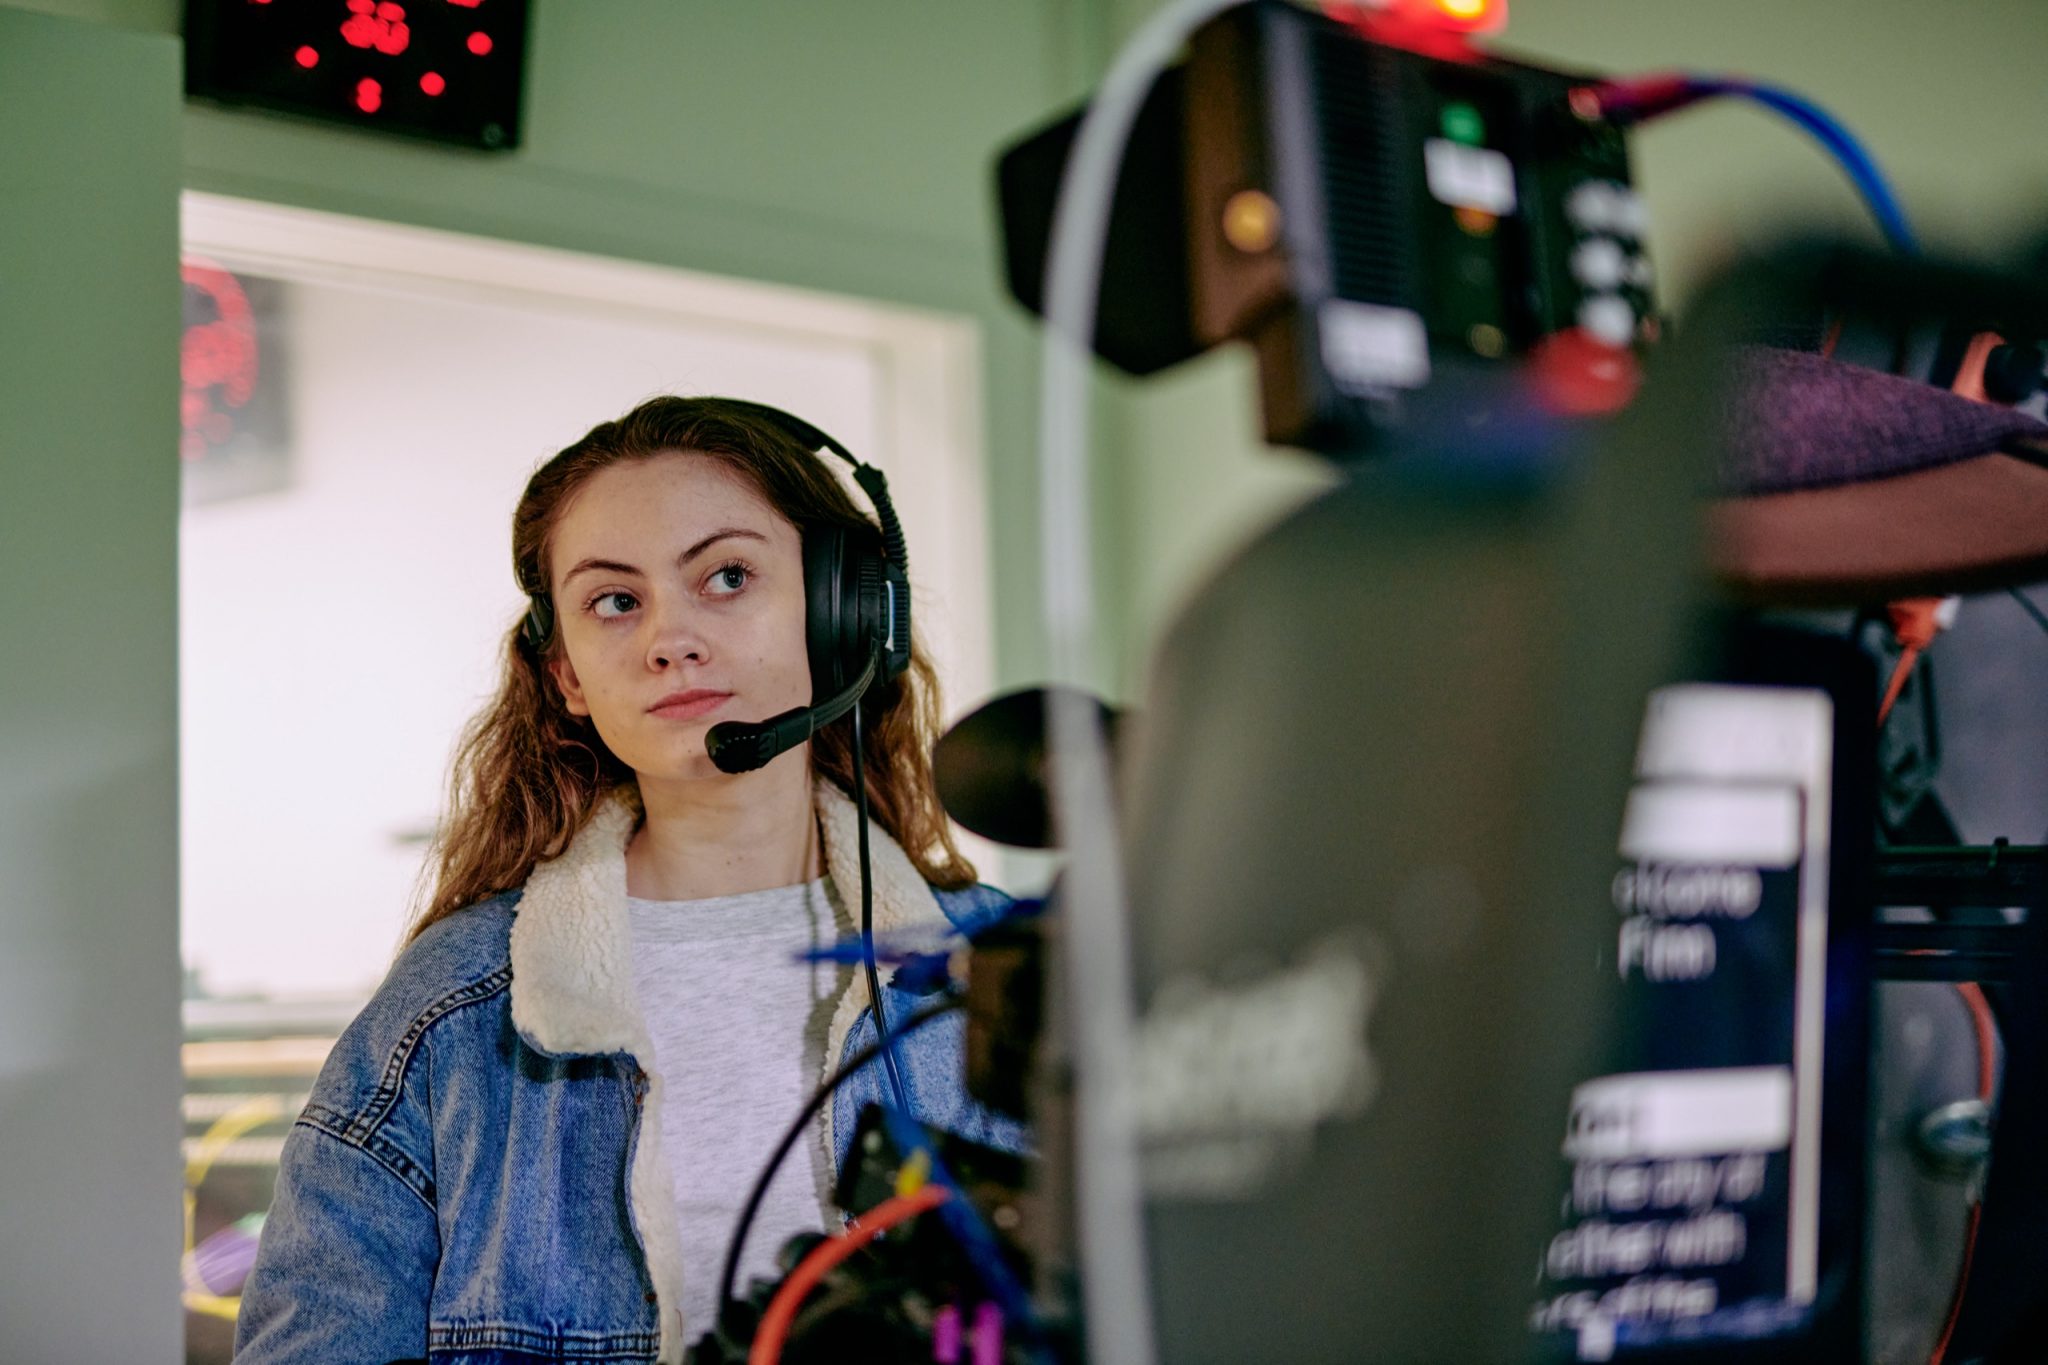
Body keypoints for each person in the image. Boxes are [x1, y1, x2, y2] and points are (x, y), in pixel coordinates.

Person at [233, 397, 1023, 1364]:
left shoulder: (1007, 976)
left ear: (841, 608)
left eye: (727, 577)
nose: (669, 639)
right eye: (616, 599)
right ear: (566, 673)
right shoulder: (450, 1011)